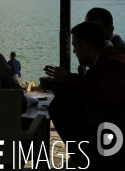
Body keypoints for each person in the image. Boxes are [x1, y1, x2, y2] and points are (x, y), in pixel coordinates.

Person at [43, 22, 125, 169]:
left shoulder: (113, 63)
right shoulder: (108, 59)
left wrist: (68, 78)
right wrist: (58, 85)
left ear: (85, 47)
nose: (74, 51)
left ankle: (83, 159)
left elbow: (106, 98)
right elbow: (90, 91)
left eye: (75, 46)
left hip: (112, 141)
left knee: (59, 106)